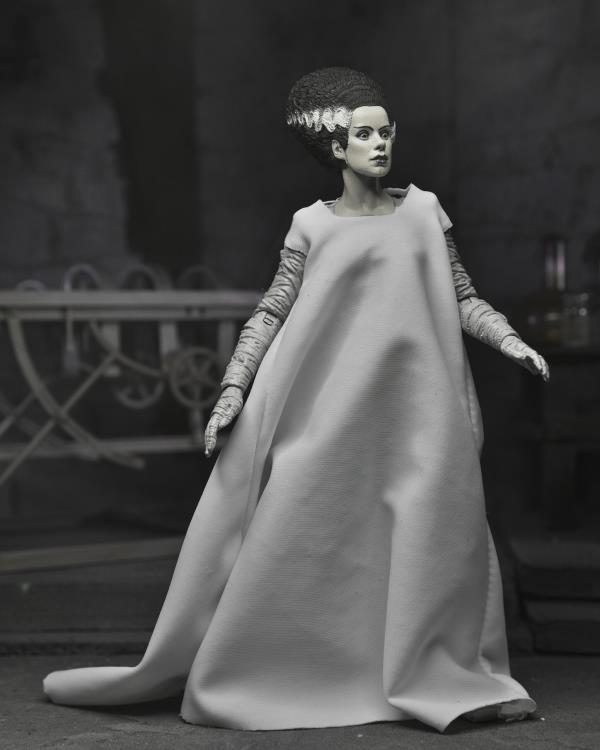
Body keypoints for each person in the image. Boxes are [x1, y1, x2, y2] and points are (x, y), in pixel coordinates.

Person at [43, 67, 548, 733]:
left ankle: (425, 670)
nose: (379, 144)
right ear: (336, 147)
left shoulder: (424, 213)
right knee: (314, 538)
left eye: (385, 132)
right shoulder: (312, 225)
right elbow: (272, 311)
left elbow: (461, 296)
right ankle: (308, 668)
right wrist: (232, 391)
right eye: (363, 134)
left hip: (416, 414)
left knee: (427, 536)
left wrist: (509, 339)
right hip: (329, 414)